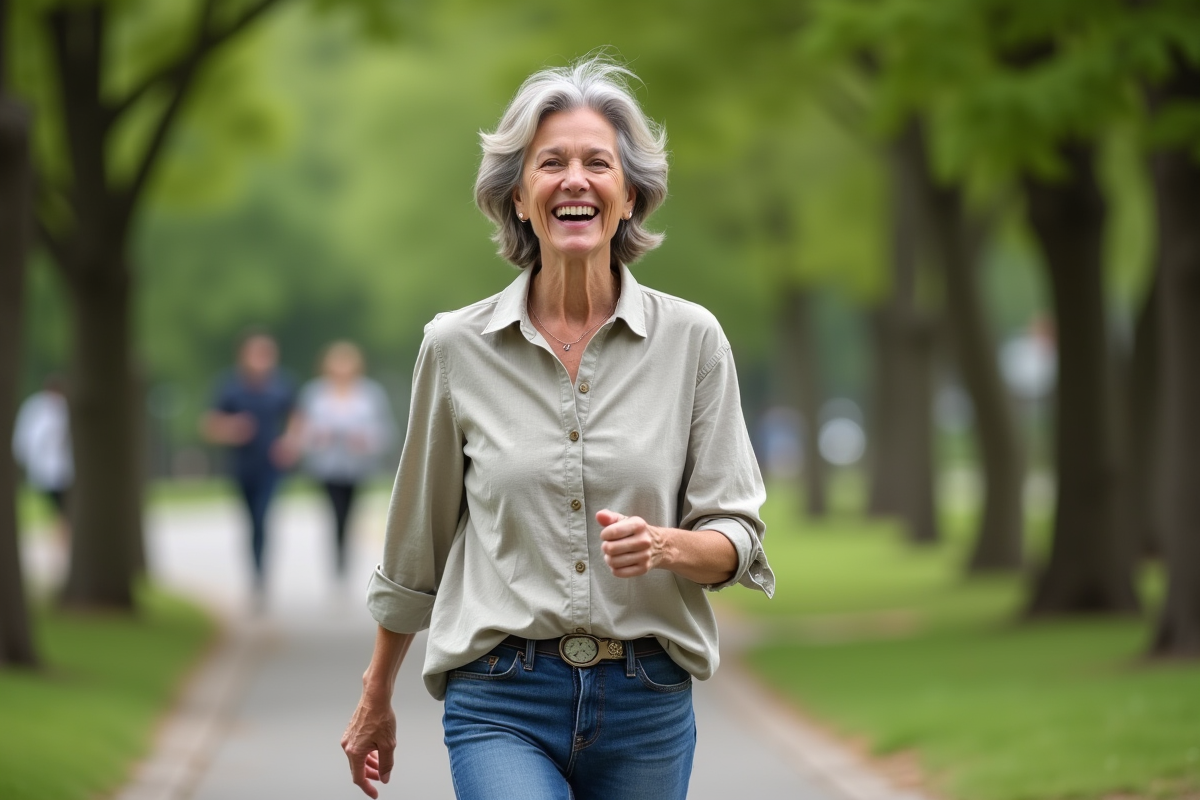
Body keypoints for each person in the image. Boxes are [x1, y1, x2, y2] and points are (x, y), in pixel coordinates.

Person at [341, 56, 774, 800]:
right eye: (551, 164)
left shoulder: (693, 341)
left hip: (648, 699)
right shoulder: (454, 348)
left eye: (597, 162)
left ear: (630, 194)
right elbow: (415, 546)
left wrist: (666, 544)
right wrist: (376, 695)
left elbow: (735, 538)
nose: (575, 179)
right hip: (500, 696)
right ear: (517, 196)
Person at [201, 332, 297, 602]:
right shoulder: (230, 387)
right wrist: (232, 429)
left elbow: (296, 418)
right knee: (250, 521)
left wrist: (289, 442)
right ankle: (254, 574)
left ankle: (261, 576)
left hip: (270, 466)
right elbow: (210, 424)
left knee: (263, 517)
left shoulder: (281, 386)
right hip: (242, 466)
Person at [289, 341, 395, 577]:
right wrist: (317, 437)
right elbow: (301, 431)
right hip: (325, 466)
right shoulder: (314, 393)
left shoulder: (371, 393)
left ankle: (345, 555)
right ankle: (338, 557)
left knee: (351, 514)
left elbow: (385, 432)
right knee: (335, 513)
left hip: (359, 466)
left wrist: (365, 440)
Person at [12, 375, 73, 544]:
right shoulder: (38, 409)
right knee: (60, 509)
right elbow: (26, 440)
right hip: (48, 471)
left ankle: (61, 540)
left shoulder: (56, 408)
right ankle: (61, 540)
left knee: (62, 509)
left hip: (61, 471)